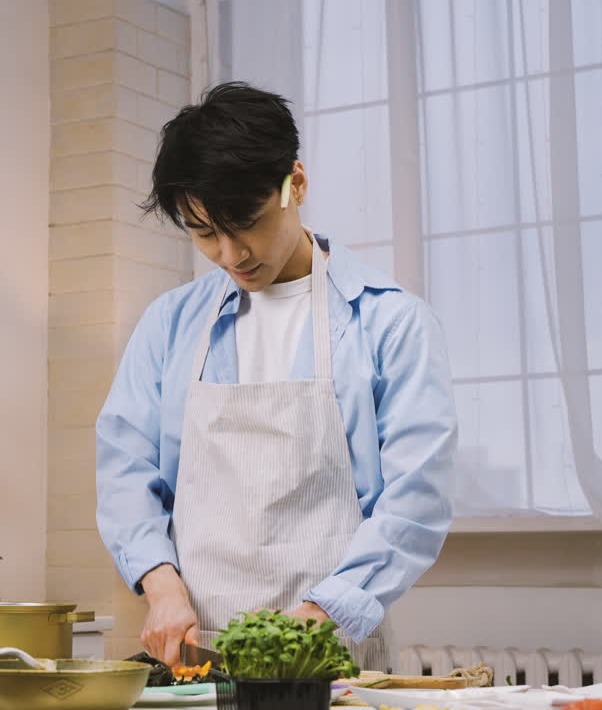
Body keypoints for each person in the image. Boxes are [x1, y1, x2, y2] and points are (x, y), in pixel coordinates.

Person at [95, 82, 458, 671]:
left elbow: (415, 501)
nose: (231, 254)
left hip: (330, 651)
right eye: (205, 233)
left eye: (248, 223)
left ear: (297, 184)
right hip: (197, 654)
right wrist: (161, 588)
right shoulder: (170, 324)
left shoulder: (391, 322)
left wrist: (318, 615)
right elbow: (125, 470)